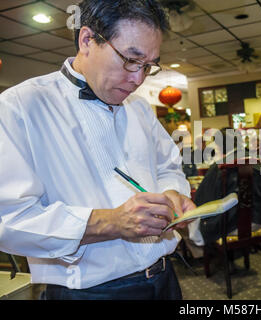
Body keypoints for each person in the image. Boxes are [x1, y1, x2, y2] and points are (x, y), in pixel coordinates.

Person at [0, 0, 196, 300]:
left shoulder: (141, 110)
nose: (138, 79)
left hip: (165, 277)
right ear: (87, 39)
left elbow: (168, 167)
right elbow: (9, 221)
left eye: (148, 66)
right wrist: (111, 222)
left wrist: (173, 193)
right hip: (88, 292)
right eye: (131, 59)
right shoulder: (18, 108)